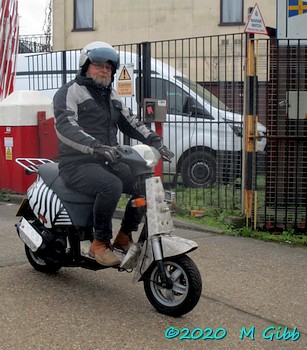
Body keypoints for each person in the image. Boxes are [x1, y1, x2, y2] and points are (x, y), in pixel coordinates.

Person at [53, 41, 174, 267]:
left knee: (144, 185)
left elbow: (130, 122)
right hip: (77, 163)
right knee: (111, 185)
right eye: (99, 65)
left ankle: (124, 235)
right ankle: (100, 242)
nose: (104, 70)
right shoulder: (70, 91)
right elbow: (65, 127)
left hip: (109, 158)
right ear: (86, 66)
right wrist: (96, 147)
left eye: (109, 67)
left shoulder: (111, 95)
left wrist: (156, 141)